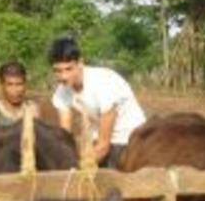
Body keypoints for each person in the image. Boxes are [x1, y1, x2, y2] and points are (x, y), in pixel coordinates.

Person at [48, 36, 146, 168]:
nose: (63, 77)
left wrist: (79, 168)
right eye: (58, 71)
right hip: (97, 137)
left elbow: (103, 147)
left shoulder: (103, 82)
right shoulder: (61, 93)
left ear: (80, 63)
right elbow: (65, 136)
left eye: (68, 69)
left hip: (130, 138)